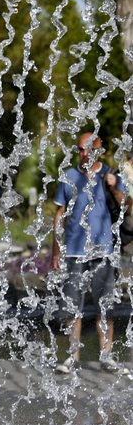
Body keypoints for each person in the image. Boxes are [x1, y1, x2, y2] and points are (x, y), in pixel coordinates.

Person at [51, 132, 129, 375]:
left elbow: (126, 206)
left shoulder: (111, 174)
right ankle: (72, 357)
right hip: (74, 251)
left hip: (104, 251)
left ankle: (106, 357)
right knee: (72, 307)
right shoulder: (69, 176)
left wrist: (114, 188)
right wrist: (55, 252)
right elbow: (59, 215)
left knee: (105, 307)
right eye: (80, 150)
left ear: (99, 149)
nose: (84, 154)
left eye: (88, 149)